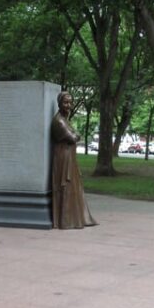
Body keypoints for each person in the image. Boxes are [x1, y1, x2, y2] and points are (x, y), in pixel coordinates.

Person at [50, 91, 97, 229]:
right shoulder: (59, 121)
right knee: (66, 185)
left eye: (70, 102)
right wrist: (75, 135)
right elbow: (73, 137)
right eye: (65, 102)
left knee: (73, 185)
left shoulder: (65, 119)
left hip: (69, 154)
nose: (68, 105)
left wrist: (75, 135)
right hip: (63, 157)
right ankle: (65, 220)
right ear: (59, 103)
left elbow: (77, 136)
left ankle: (74, 218)